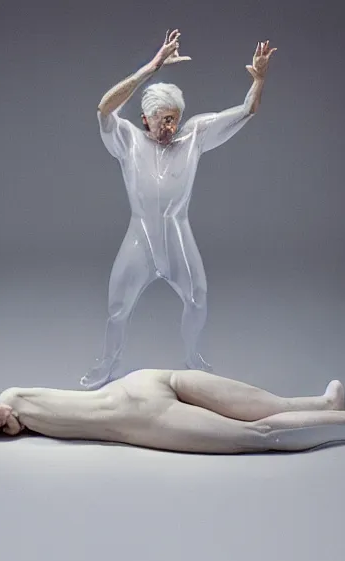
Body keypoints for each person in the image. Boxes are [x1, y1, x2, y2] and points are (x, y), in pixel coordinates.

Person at [81, 30, 277, 389]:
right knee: (117, 307)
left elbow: (246, 111)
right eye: (162, 119)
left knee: (197, 297)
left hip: (176, 235)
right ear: (145, 119)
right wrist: (151, 68)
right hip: (140, 237)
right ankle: (107, 362)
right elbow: (103, 108)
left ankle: (193, 357)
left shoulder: (195, 136)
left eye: (174, 118)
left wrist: (259, 81)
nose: (170, 126)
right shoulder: (127, 139)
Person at [0, 369, 345, 454]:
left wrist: (9, 422)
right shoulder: (19, 420)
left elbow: (20, 413)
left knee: (264, 423)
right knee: (261, 428)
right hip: (144, 409)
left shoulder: (16, 399)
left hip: (144, 398)